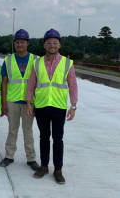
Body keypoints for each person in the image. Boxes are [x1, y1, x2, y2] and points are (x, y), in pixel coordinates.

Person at [26, 28, 78, 184]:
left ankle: (58, 169)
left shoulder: (67, 63)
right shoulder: (37, 63)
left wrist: (73, 106)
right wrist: (29, 102)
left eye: (55, 43)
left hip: (59, 107)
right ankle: (43, 166)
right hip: (41, 106)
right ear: (44, 46)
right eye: (49, 43)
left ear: (59, 45)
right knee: (43, 137)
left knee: (58, 138)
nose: (52, 45)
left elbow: (73, 85)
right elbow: (32, 84)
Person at [0, 29, 40, 171]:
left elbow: (39, 82)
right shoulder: (8, 60)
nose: (20, 44)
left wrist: (37, 103)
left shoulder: (36, 60)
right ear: (14, 44)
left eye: (23, 42)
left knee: (28, 131)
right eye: (17, 42)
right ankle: (9, 156)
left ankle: (31, 158)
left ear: (28, 43)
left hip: (30, 102)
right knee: (12, 130)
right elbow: (4, 82)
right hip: (12, 101)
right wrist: (3, 103)